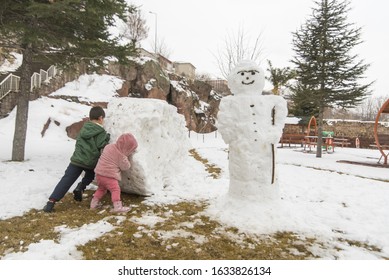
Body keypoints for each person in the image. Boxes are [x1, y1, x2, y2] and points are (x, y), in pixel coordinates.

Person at [43, 106, 110, 213]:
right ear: (101, 118)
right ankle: (81, 187)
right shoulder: (101, 132)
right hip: (90, 162)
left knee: (67, 179)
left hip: (76, 160)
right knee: (90, 175)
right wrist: (106, 138)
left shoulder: (84, 128)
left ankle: (51, 202)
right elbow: (101, 145)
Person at [90, 133, 138, 213]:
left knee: (101, 189)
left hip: (99, 174)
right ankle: (117, 207)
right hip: (109, 176)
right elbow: (126, 167)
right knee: (115, 189)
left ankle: (93, 204)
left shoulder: (109, 146)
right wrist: (127, 158)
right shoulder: (121, 156)